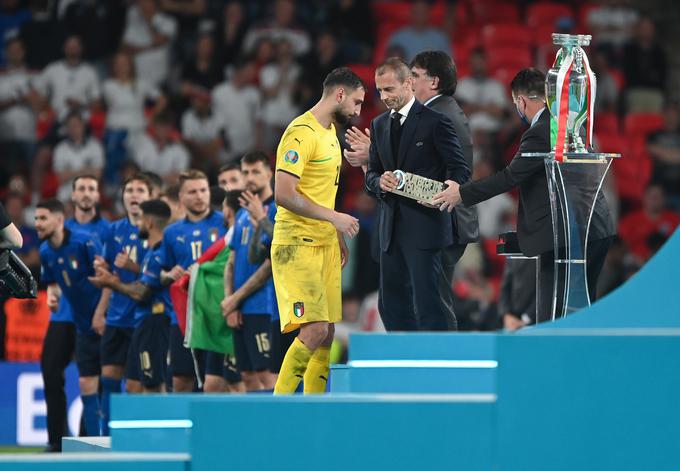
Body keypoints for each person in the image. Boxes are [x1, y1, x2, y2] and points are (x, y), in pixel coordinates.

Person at [434, 68, 615, 322]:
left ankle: (554, 360)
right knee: (580, 312)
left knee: (554, 315)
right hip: (594, 229)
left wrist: (461, 193)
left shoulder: (541, 131)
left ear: (521, 101)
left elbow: (510, 177)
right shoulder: (574, 125)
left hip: (564, 236)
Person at [271, 67, 364, 394]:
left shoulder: (329, 133)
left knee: (326, 333)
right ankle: (277, 411)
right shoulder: (301, 133)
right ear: (339, 94)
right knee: (313, 330)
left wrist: (334, 231)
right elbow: (283, 193)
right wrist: (336, 218)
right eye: (356, 102)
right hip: (296, 244)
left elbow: (321, 190)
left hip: (323, 243)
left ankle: (315, 409)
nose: (358, 111)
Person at [364, 58, 469, 332]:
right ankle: (403, 367)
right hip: (390, 232)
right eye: (379, 91)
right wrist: (379, 182)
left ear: (408, 82)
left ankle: (436, 370)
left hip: (425, 228)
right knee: (392, 306)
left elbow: (460, 170)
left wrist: (443, 192)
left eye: (389, 89)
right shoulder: (378, 125)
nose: (384, 97)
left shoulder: (437, 122)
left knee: (429, 306)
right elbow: (371, 174)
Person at [89, 199, 173, 393]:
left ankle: (160, 423)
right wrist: (112, 280)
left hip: (155, 322)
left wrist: (112, 283)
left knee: (153, 384)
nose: (138, 224)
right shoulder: (152, 253)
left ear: (150, 222)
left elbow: (142, 293)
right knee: (141, 383)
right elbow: (141, 286)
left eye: (141, 219)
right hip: (145, 322)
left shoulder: (159, 254)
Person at [36, 199, 103, 437]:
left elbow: (106, 280)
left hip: (96, 319)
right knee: (52, 370)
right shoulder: (45, 251)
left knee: (96, 381)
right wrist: (51, 298)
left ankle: (90, 439)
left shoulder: (84, 241)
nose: (37, 224)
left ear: (59, 219)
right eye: (36, 218)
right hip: (70, 318)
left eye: (43, 218)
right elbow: (53, 284)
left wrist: (100, 313)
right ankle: (56, 440)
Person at [94, 174, 151, 434]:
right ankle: (107, 437)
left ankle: (132, 437)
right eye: (129, 190)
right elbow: (109, 277)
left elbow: (155, 277)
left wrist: (133, 266)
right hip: (116, 317)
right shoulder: (114, 230)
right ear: (123, 196)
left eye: (140, 190)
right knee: (108, 379)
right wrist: (100, 311)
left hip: (142, 318)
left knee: (136, 385)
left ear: (149, 196)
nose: (134, 194)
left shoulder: (155, 231)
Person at [160, 169, 225, 392]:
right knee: (180, 379)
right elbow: (161, 271)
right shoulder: (170, 233)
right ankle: (185, 427)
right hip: (183, 317)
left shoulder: (225, 223)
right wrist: (169, 275)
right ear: (181, 198)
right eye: (193, 192)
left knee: (216, 382)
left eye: (203, 190)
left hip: (216, 314)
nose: (199, 196)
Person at [221, 151, 278, 391]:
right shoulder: (243, 213)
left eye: (256, 171)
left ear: (269, 173)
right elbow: (231, 261)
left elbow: (269, 266)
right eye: (245, 172)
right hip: (240, 306)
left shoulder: (277, 209)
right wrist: (230, 301)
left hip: (262, 306)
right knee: (247, 376)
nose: (250, 177)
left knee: (267, 376)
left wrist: (236, 298)